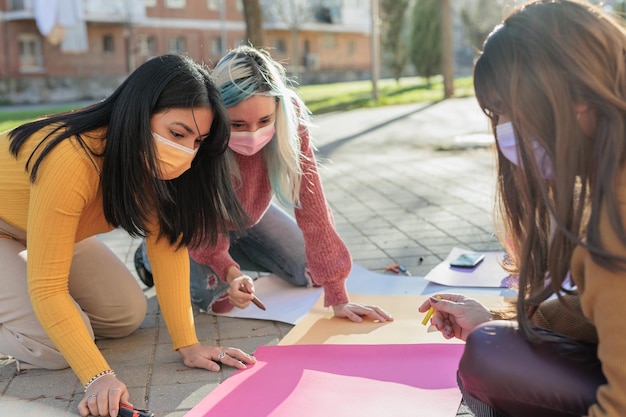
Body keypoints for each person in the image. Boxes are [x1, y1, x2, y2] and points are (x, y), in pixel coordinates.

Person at [0, 54, 257, 417]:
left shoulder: (149, 161)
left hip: (38, 224)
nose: (186, 152)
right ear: (140, 113)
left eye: (198, 141)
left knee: (125, 316)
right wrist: (97, 376)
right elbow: (48, 287)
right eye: (176, 133)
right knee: (52, 348)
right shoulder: (71, 158)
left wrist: (188, 343)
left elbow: (167, 247)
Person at [418, 1, 626, 416]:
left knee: (489, 356)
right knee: (493, 340)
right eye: (497, 113)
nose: (504, 128)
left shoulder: (613, 229)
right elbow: (598, 311)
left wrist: (496, 331)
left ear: (577, 96)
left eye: (510, 108)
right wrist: (500, 317)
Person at [135, 45, 393, 323]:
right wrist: (230, 272)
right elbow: (198, 215)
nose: (254, 133)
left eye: (264, 120)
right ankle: (151, 256)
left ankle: (230, 248)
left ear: (278, 110)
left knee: (310, 273)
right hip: (193, 221)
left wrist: (338, 295)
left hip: (248, 215)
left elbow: (312, 204)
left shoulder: (290, 114)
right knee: (222, 301)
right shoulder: (200, 123)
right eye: (238, 125)